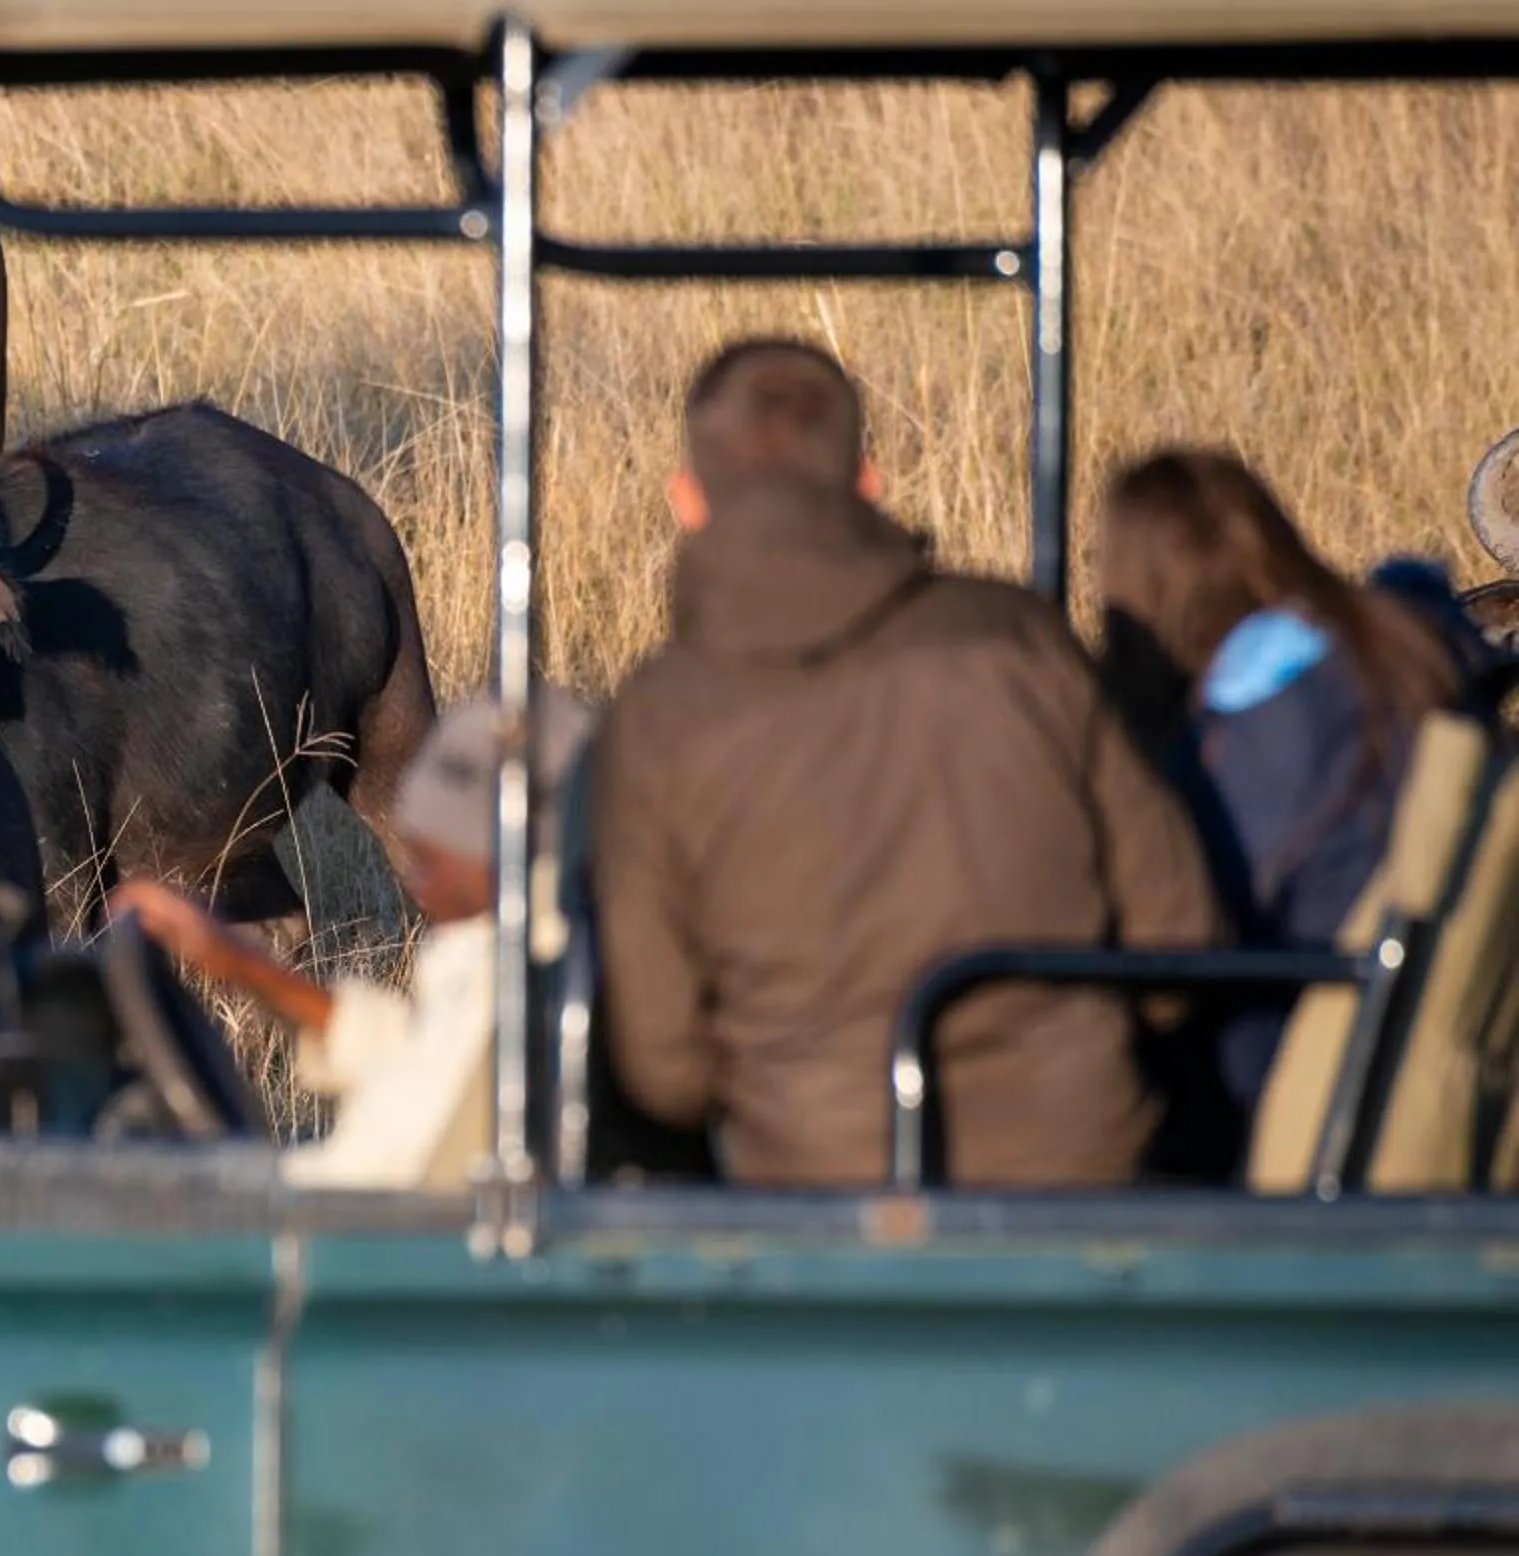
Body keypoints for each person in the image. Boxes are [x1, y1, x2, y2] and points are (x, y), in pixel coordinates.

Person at [587, 339, 1221, 1189]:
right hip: (1083, 1170)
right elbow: (1180, 940)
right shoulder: (1019, 637)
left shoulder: (659, 714)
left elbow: (665, 1066)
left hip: (813, 1186)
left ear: (687, 500)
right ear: (869, 481)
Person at [1097, 449, 1469, 1111]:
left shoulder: (1245, 754)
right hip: (1435, 1069)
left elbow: (1177, 945)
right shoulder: (1410, 657)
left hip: (1290, 1092)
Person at [109, 701, 516, 1192]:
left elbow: (390, 1166)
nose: (414, 880)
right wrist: (239, 964)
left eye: (431, 861)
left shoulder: (514, 991)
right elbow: (411, 1059)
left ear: (499, 858)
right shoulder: (496, 961)